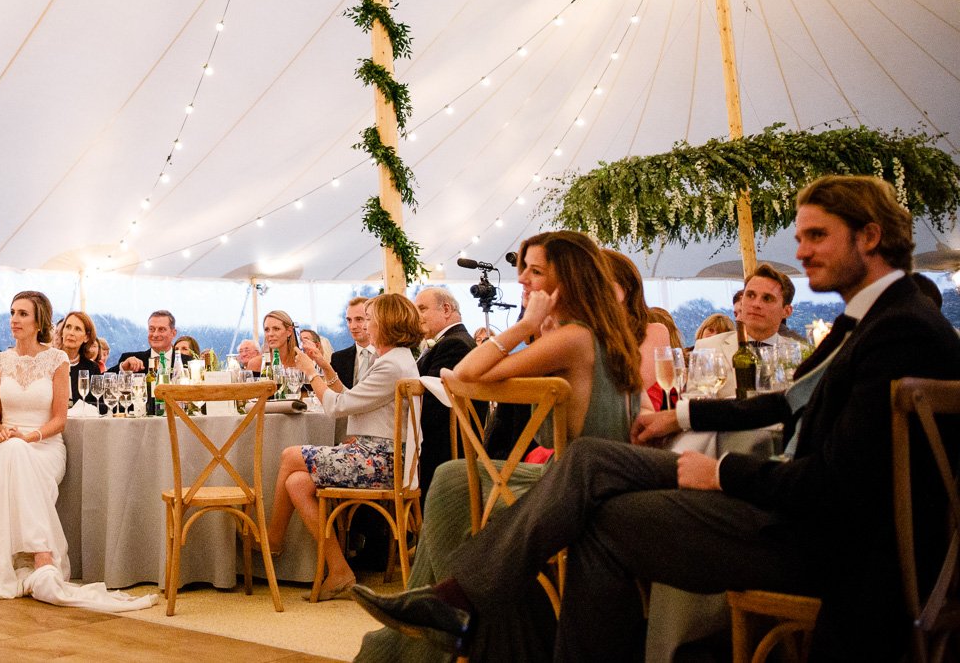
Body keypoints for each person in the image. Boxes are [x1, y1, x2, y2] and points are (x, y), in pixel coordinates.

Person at [351, 176, 960, 663]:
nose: (799, 251)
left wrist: (720, 473)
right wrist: (681, 416)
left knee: (592, 500)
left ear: (870, 236)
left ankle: (459, 601)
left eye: (816, 236)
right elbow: (783, 403)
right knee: (592, 480)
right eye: (801, 236)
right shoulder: (876, 318)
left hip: (827, 542)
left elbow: (838, 485)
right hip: (801, 516)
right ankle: (460, 603)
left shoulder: (899, 331)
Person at [353, 230, 641, 663]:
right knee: (453, 478)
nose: (521, 279)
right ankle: (439, 613)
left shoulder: (574, 337)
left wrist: (524, 326)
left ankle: (449, 622)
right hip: (588, 476)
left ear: (567, 279)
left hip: (577, 485)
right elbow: (468, 374)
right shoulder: (603, 332)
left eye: (535, 271)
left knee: (452, 481)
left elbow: (465, 373)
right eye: (523, 269)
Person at [0, 290, 155, 611]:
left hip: (46, 445)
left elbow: (59, 419)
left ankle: (35, 555)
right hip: (10, 445)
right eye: (12, 313)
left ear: (39, 320)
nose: (14, 319)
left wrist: (30, 436)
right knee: (13, 451)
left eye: (22, 314)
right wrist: (0, 431)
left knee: (17, 451)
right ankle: (42, 555)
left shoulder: (56, 360)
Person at [266, 292, 421, 600]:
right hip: (381, 456)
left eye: (370, 319)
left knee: (289, 455)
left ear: (385, 324)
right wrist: (326, 368)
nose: (366, 326)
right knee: (297, 482)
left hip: (380, 460)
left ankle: (272, 540)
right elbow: (352, 400)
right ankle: (339, 570)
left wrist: (311, 372)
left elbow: (337, 407)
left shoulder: (391, 365)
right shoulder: (396, 360)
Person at [695, 263, 807, 397]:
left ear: (786, 311)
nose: (756, 304)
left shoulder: (800, 355)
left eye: (767, 298)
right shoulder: (708, 348)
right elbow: (696, 401)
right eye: (751, 295)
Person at [414, 287, 477, 486]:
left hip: (445, 453)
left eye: (422, 309)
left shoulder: (455, 344)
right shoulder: (450, 341)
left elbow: (433, 405)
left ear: (447, 309)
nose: (417, 317)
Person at [600, 248, 670, 398]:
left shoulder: (654, 331)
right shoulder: (590, 332)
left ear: (624, 289)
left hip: (637, 412)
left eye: (599, 283)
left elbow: (634, 387)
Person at [112, 310, 190, 374]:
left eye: (161, 329)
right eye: (151, 329)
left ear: (173, 333)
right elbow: (105, 379)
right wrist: (123, 368)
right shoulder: (130, 360)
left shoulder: (188, 362)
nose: (155, 334)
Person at [57, 310, 101, 404]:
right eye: (68, 327)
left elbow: (99, 403)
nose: (71, 333)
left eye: (77, 329)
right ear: (62, 332)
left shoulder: (92, 368)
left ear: (86, 337)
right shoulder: (49, 361)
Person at [330, 296, 373, 387]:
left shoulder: (387, 356)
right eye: (349, 320)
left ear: (372, 320)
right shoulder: (338, 359)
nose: (353, 326)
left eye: (359, 319)